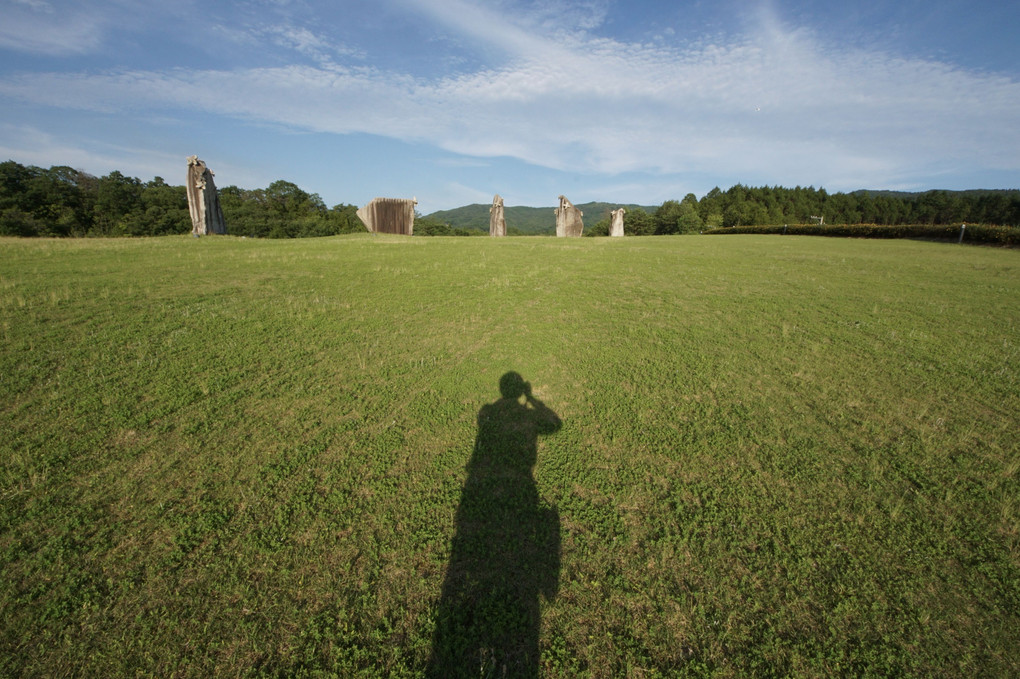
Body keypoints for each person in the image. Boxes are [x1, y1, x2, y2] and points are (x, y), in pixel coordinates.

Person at [428, 372, 561, 678]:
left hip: (483, 491)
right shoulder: (523, 415)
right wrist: (533, 400)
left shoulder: (487, 413)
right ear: (518, 391)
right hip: (520, 488)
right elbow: (554, 424)